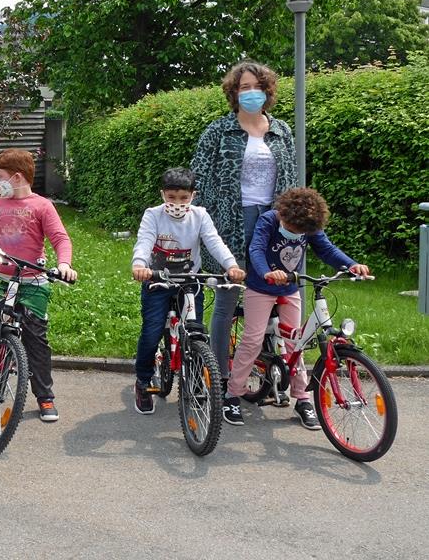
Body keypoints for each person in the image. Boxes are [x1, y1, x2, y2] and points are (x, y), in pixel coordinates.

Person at [224, 188, 369, 429]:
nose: (294, 233)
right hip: (261, 286)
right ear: (281, 213)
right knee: (252, 339)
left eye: (299, 232)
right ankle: (232, 393)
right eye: (290, 228)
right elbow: (256, 250)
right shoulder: (269, 220)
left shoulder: (307, 225)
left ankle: (302, 399)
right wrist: (266, 272)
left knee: (297, 342)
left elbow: (327, 249)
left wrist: (351, 265)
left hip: (290, 288)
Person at [191, 60, 296, 387]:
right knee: (227, 299)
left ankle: (270, 371)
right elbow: (200, 178)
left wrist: (292, 221)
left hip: (273, 222)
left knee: (275, 295)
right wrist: (205, 223)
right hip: (231, 222)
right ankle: (220, 378)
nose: (251, 93)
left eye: (257, 87)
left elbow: (290, 178)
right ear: (234, 93)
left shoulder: (281, 131)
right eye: (244, 87)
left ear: (268, 91)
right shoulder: (219, 131)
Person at [0, 149, 77, 423]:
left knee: (36, 340)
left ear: (16, 177)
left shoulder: (42, 206)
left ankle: (45, 396)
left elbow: (61, 238)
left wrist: (64, 264)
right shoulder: (0, 204)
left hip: (31, 279)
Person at [130, 168, 244, 415]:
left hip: (189, 281)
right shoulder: (153, 215)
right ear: (163, 195)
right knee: (151, 332)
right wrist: (139, 264)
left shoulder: (200, 216)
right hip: (157, 280)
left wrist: (231, 265)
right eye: (171, 197)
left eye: (183, 198)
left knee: (195, 332)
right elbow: (145, 240)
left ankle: (195, 381)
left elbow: (214, 242)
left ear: (193, 196)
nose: (177, 203)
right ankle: (143, 382)